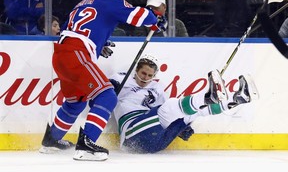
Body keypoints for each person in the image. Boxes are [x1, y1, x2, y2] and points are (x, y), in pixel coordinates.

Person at [38, 0, 167, 161]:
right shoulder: (109, 1)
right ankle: (87, 145)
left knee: (76, 102)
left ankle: (51, 140)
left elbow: (73, 29)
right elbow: (141, 17)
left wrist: (100, 43)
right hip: (77, 54)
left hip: (61, 55)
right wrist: (155, 17)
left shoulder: (83, 4)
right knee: (107, 96)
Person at [109, 54, 259, 153]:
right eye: (143, 73)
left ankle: (236, 99)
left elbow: (167, 116)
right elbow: (100, 94)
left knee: (190, 114)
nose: (145, 78)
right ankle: (208, 97)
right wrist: (109, 88)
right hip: (132, 133)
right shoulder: (121, 79)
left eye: (150, 75)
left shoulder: (157, 88)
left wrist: (182, 128)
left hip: (155, 141)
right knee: (169, 108)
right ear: (136, 70)